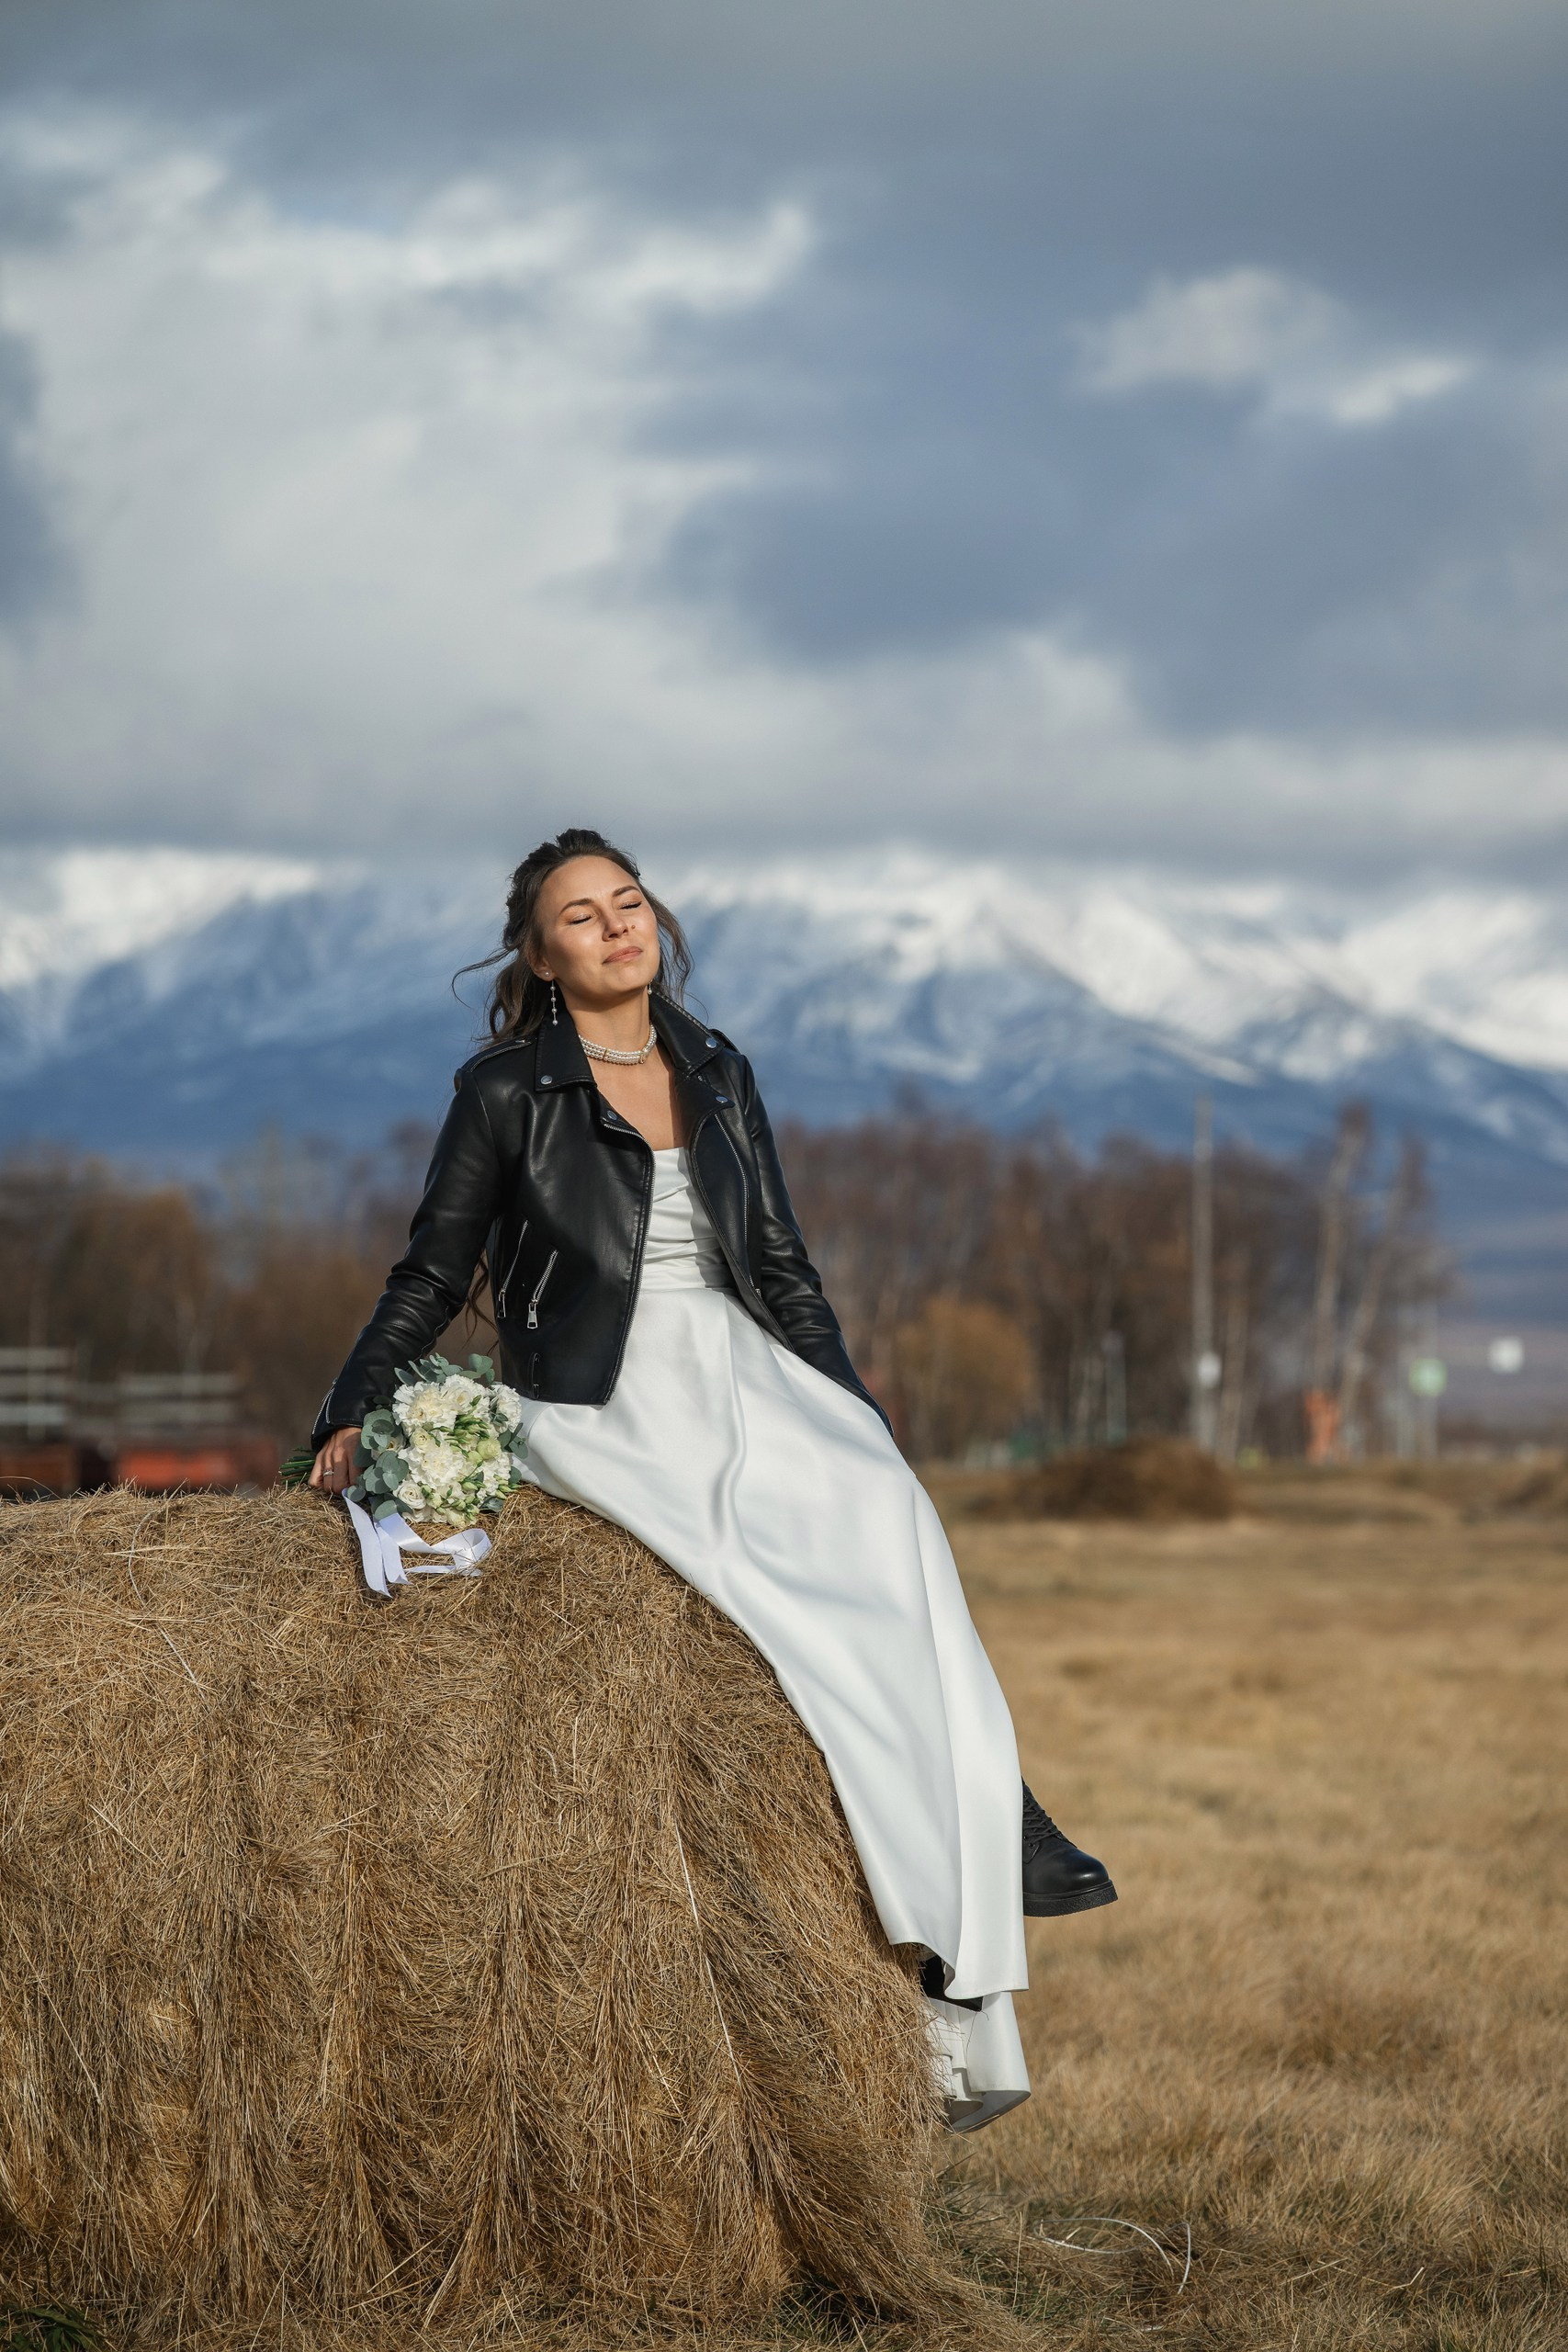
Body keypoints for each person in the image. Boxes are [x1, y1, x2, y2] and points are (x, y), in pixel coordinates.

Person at [310, 827, 1115, 2128]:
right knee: (750, 1572)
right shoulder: (505, 1089)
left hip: (747, 1362)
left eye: (629, 901)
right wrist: (348, 1409)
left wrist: (856, 1418)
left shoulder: (720, 1067)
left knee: (893, 1521)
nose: (617, 925)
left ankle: (961, 1924)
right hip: (602, 1388)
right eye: (583, 914)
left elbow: (783, 1263)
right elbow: (430, 1268)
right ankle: (940, 1904)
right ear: (541, 954)